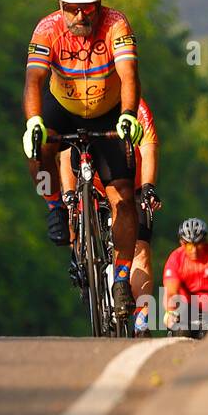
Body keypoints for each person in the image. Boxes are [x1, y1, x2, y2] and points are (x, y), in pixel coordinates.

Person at [22, 0, 143, 320]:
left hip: (107, 109)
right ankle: (55, 206)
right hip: (64, 106)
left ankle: (120, 278)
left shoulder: (116, 24)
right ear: (59, 5)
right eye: (71, 7)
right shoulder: (47, 30)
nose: (79, 14)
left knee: (123, 197)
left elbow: (129, 73)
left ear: (100, 3)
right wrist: (33, 123)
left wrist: (128, 114)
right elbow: (33, 81)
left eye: (87, 7)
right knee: (37, 148)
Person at [59, 97, 159, 336]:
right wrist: (70, 194)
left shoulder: (137, 105)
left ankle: (141, 323)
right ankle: (81, 258)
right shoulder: (75, 98)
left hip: (129, 188)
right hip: (90, 185)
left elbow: (149, 147)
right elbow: (65, 153)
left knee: (140, 251)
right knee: (73, 215)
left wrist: (148, 187)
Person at [162, 218, 208, 333]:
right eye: (189, 246)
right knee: (179, 329)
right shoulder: (176, 258)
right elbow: (170, 293)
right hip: (186, 311)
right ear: (182, 243)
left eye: (198, 244)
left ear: (205, 241)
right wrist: (170, 313)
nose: (194, 250)